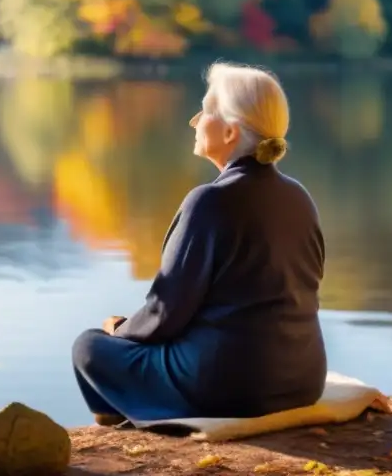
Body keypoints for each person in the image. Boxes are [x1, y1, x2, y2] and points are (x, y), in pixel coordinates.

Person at [71, 61, 327, 426]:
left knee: (89, 346)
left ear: (229, 132)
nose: (194, 120)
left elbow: (164, 313)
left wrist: (120, 331)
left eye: (206, 110)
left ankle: (125, 419)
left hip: (227, 388)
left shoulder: (209, 202)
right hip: (303, 381)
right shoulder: (300, 197)